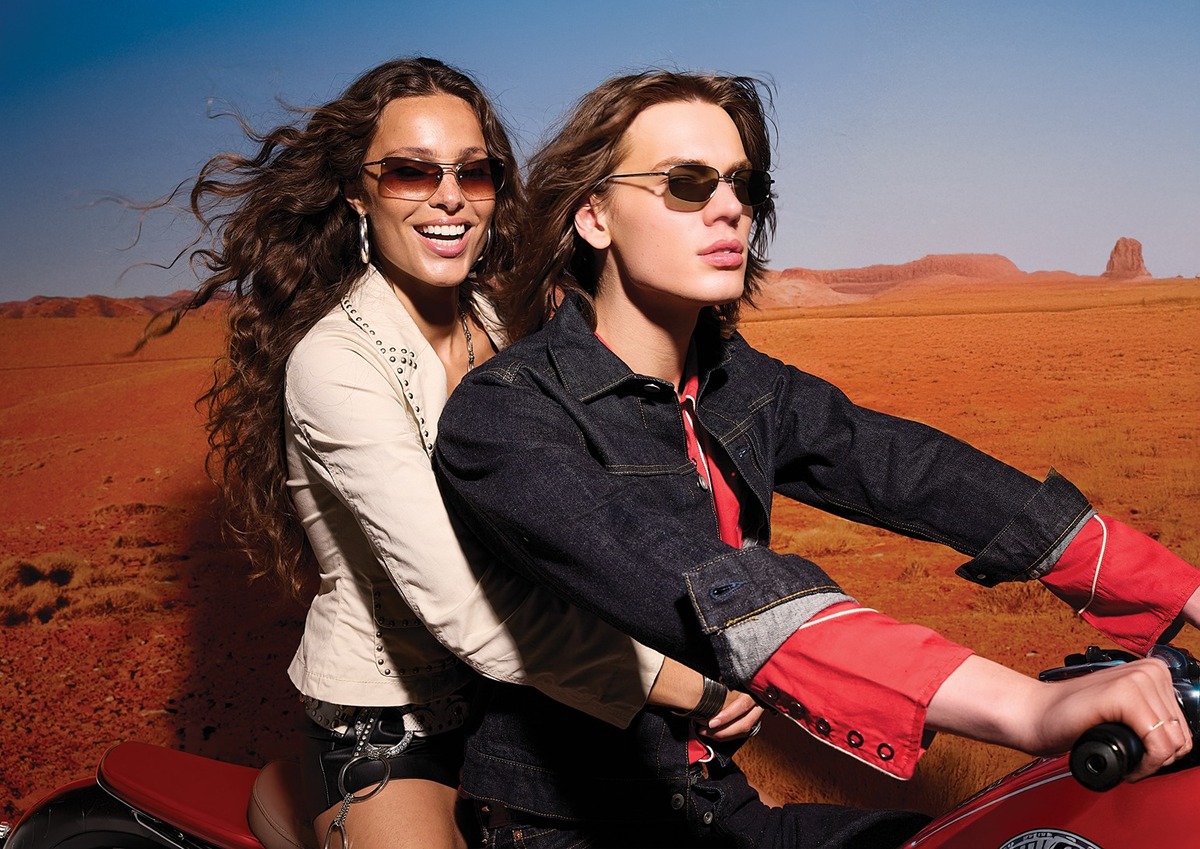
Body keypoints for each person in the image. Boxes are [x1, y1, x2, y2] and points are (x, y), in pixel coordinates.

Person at [433, 69, 1200, 847]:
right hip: (577, 828)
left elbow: (911, 469)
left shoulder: (734, 381)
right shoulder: (505, 415)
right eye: (687, 183)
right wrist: (1029, 707)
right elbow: (708, 587)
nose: (729, 207)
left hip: (712, 810)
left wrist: (1182, 589)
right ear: (595, 215)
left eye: (742, 183)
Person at [145, 58, 760, 849]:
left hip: (517, 712)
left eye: (474, 172)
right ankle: (299, 798)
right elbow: (466, 607)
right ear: (357, 191)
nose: (449, 197)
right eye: (412, 171)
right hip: (390, 727)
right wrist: (685, 686)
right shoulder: (336, 361)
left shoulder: (505, 325)